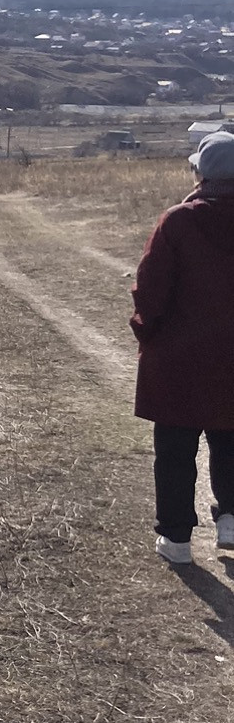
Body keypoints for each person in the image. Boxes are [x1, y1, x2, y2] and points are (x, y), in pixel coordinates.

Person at [130, 129, 234, 564]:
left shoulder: (177, 221)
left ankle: (176, 541)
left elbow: (150, 289)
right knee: (232, 440)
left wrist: (146, 332)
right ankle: (231, 519)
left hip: (178, 357)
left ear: (200, 173)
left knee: (174, 450)